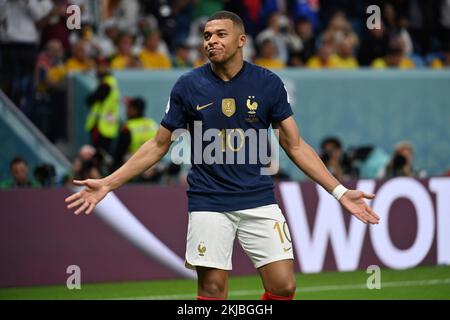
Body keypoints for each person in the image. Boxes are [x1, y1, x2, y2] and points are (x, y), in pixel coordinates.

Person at [66, 11, 380, 300]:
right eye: (206, 36)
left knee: (284, 286)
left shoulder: (268, 83)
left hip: (258, 197)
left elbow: (295, 145)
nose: (211, 41)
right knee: (213, 289)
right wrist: (108, 182)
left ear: (241, 40)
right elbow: (159, 145)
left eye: (220, 34)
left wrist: (339, 192)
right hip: (209, 201)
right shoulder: (188, 85)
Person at [113, 97, 158, 170]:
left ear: (135, 110)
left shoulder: (128, 127)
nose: (126, 112)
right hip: (152, 163)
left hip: (133, 164)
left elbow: (119, 152)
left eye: (129, 108)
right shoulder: (152, 124)